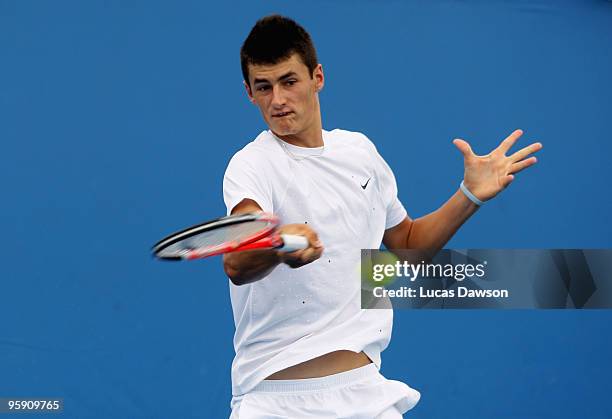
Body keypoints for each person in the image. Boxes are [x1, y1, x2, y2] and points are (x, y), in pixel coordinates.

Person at [223, 15, 542, 418]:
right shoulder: (252, 165)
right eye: (263, 87)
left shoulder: (360, 153)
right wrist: (279, 245)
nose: (278, 100)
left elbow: (408, 246)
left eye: (289, 81)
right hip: (276, 402)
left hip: (364, 395)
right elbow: (237, 260)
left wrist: (469, 196)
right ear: (249, 93)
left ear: (317, 77)